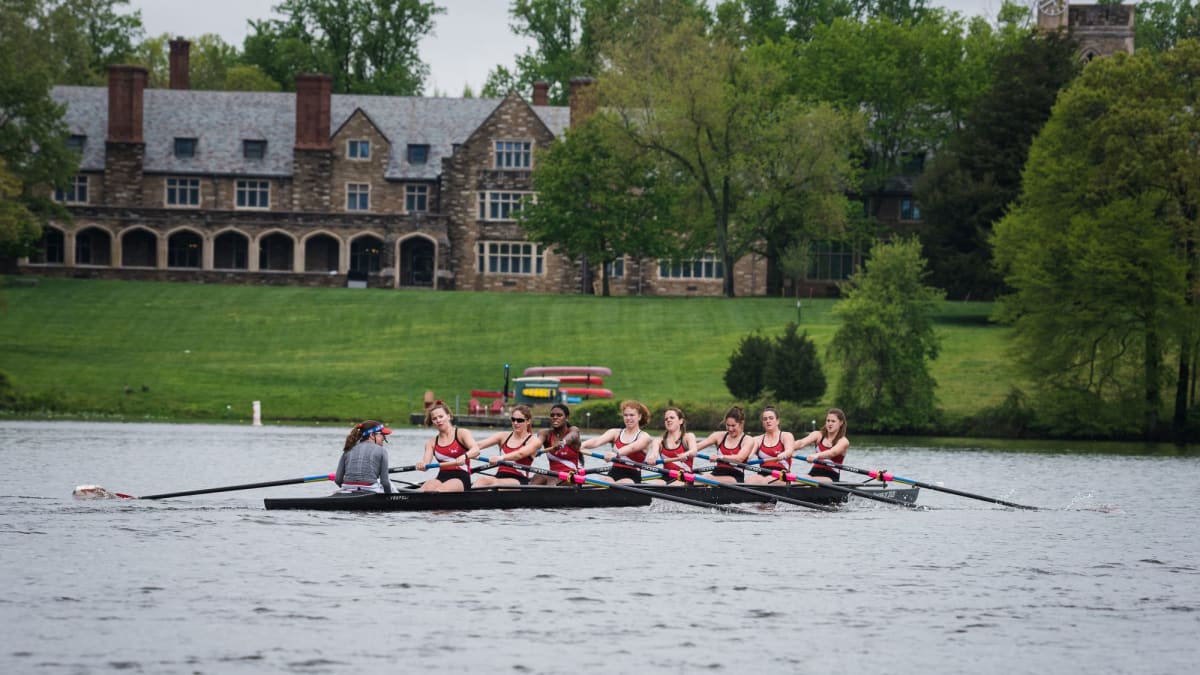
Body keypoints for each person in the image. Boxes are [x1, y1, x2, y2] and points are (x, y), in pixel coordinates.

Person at [580, 399, 653, 483]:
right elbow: (597, 441)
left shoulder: (644, 437)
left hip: (632, 477)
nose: (628, 418)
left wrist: (616, 453)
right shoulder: (614, 433)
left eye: (632, 415)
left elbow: (632, 447)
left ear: (639, 417)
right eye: (625, 415)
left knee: (622, 483)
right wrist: (581, 445)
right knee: (604, 482)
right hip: (613, 473)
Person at [474, 404, 542, 487]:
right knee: (481, 480)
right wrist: (464, 451)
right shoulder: (502, 436)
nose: (515, 423)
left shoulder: (534, 441)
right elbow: (479, 444)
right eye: (513, 420)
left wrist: (501, 457)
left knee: (493, 483)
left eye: (519, 420)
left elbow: (520, 454)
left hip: (519, 481)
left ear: (528, 421)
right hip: (499, 477)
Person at [419, 402, 480, 492]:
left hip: (460, 478)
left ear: (448, 416)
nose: (438, 420)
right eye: (434, 418)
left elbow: (476, 450)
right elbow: (426, 463)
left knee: (440, 490)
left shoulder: (461, 433)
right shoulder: (431, 443)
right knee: (425, 488)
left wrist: (464, 456)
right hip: (441, 477)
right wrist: (422, 465)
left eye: (441, 416)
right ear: (432, 422)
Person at [693, 406, 753, 483]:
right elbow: (696, 447)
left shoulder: (748, 440)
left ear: (741, 423)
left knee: (706, 479)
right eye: (728, 425)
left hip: (735, 477)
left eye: (733, 426)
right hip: (716, 473)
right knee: (693, 479)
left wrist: (720, 457)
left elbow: (739, 458)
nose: (730, 429)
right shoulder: (718, 436)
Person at [530, 403, 584, 486]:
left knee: (552, 480)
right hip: (553, 475)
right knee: (538, 476)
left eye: (559, 415)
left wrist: (562, 443)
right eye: (552, 415)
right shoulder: (545, 433)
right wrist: (534, 449)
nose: (555, 417)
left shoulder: (573, 430)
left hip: (571, 477)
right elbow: (538, 442)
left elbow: (572, 437)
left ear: (567, 418)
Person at [334, 420, 393, 494]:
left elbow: (338, 480)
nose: (384, 439)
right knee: (391, 485)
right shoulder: (382, 451)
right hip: (370, 489)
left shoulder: (348, 449)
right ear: (372, 435)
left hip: (347, 488)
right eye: (382, 435)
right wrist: (389, 498)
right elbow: (385, 482)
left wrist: (352, 490)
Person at [795, 408, 850, 483]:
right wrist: (787, 449)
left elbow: (832, 453)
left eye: (833, 421)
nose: (830, 424)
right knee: (798, 478)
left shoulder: (843, 441)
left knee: (806, 480)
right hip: (813, 473)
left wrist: (816, 455)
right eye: (828, 421)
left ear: (841, 423)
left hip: (830, 477)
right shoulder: (818, 435)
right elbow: (801, 443)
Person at [645, 406, 696, 486]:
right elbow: (654, 454)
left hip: (683, 475)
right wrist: (652, 458)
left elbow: (694, 451)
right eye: (666, 419)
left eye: (672, 418)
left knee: (673, 485)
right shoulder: (658, 440)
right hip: (667, 474)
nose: (668, 420)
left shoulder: (688, 437)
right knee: (657, 484)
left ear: (681, 421)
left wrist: (685, 454)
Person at [744, 406, 795, 485]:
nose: (768, 421)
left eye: (771, 418)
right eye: (765, 419)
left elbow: (789, 450)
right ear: (763, 423)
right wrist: (746, 458)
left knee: (767, 480)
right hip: (762, 472)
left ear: (777, 421)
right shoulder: (757, 440)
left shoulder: (786, 436)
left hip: (782, 473)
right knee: (749, 480)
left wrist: (784, 454)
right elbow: (749, 454)